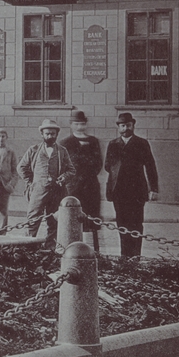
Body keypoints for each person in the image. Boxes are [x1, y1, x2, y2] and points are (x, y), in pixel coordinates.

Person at [104, 112, 159, 257]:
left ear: (133, 126)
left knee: (136, 224)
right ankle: (124, 258)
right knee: (121, 224)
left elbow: (150, 166)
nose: (126, 128)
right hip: (119, 192)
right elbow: (107, 166)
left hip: (137, 191)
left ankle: (135, 257)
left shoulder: (142, 143)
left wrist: (153, 189)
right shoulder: (113, 144)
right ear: (119, 127)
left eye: (128, 125)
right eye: (122, 126)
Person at [19, 118, 76, 244]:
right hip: (38, 191)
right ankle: (28, 247)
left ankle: (50, 248)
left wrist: (64, 177)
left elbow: (71, 170)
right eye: (47, 134)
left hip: (56, 191)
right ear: (42, 134)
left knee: (54, 220)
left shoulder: (62, 151)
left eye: (52, 134)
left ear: (57, 134)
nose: (50, 136)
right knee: (33, 219)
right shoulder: (33, 150)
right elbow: (21, 167)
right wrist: (31, 181)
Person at [60, 110, 104, 251]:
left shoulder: (93, 141)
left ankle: (93, 251)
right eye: (76, 124)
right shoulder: (65, 143)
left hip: (91, 187)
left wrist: (86, 176)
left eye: (82, 124)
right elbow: (63, 165)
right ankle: (72, 250)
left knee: (91, 221)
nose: (80, 127)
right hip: (73, 189)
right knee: (72, 220)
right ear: (71, 125)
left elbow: (98, 164)